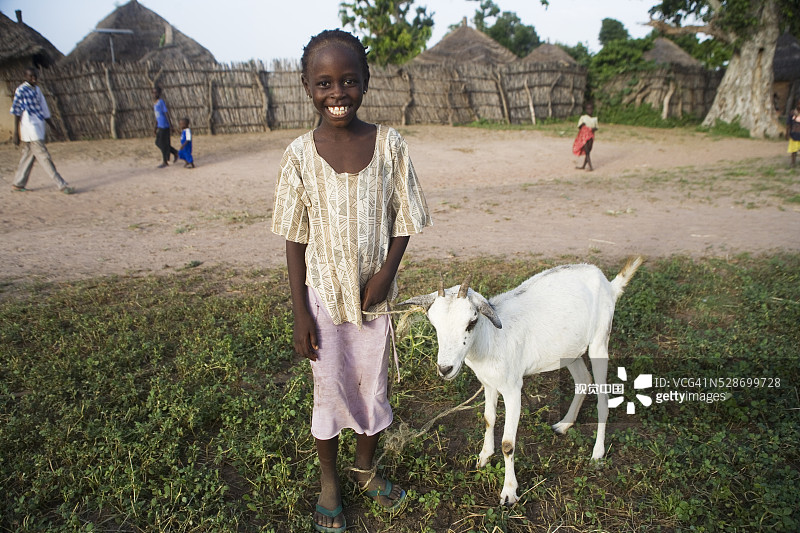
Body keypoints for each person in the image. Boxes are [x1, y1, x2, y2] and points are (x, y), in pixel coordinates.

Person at [271, 29, 432, 533]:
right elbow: (294, 239)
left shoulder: (389, 146)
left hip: (373, 302)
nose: (337, 93)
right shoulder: (299, 155)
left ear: (365, 81)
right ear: (307, 87)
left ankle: (364, 469)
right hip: (323, 299)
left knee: (371, 386)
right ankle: (329, 481)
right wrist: (300, 312)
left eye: (348, 80)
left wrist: (386, 273)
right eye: (324, 83)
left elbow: (406, 217)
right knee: (329, 389)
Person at [10, 67, 73, 194]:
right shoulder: (21, 90)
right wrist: (16, 133)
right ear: (25, 77)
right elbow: (16, 111)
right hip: (30, 128)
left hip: (38, 126)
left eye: (35, 76)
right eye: (31, 76)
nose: (34, 78)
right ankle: (61, 184)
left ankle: (18, 184)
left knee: (28, 156)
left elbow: (44, 110)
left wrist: (53, 128)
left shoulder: (37, 90)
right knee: (44, 157)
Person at [152, 87, 177, 168]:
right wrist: (155, 128)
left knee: (162, 143)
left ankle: (165, 161)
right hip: (160, 125)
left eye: (156, 92)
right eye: (153, 92)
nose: (154, 94)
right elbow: (157, 116)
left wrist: (171, 125)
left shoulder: (161, 102)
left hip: (164, 125)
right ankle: (175, 152)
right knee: (158, 143)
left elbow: (166, 113)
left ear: (160, 93)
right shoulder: (155, 103)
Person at [573, 102, 598, 171]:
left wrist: (593, 129)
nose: (589, 110)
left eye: (591, 109)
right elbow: (579, 127)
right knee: (587, 151)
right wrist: (582, 125)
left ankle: (583, 166)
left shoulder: (594, 119)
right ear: (586, 110)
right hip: (584, 137)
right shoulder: (583, 118)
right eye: (588, 109)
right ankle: (590, 166)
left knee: (588, 151)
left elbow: (596, 128)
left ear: (592, 109)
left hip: (591, 136)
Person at [786, 100, 800, 168]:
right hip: (794, 134)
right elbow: (788, 124)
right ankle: (793, 163)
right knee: (793, 150)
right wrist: (787, 133)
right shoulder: (792, 113)